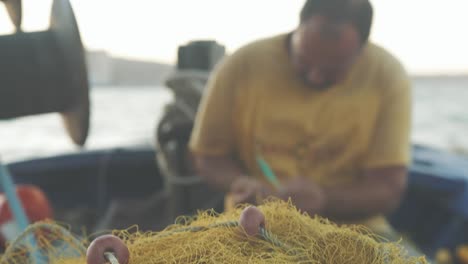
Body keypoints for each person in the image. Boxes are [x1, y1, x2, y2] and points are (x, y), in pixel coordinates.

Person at [189, 0, 412, 239]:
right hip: (253, 227)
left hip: (357, 234)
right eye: (304, 62)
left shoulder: (388, 76)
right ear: (298, 28)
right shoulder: (242, 64)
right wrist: (239, 182)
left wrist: (324, 199)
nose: (315, 77)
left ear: (362, 52)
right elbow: (206, 157)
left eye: (332, 71)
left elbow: (388, 189)